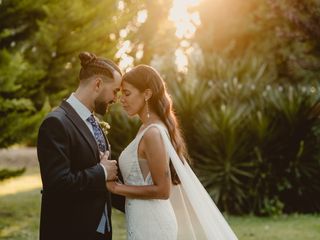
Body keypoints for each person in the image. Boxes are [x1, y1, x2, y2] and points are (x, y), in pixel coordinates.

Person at [106, 65, 238, 240]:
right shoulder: (146, 129)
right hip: (141, 219)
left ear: (147, 94)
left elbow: (163, 190)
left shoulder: (153, 133)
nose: (121, 99)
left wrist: (116, 188)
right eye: (121, 93)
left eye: (127, 93)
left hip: (153, 224)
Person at [37, 52, 125, 240]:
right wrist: (101, 172)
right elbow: (57, 184)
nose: (115, 98)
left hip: (99, 232)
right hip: (70, 232)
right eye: (115, 90)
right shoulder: (56, 123)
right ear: (98, 84)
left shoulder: (92, 121)